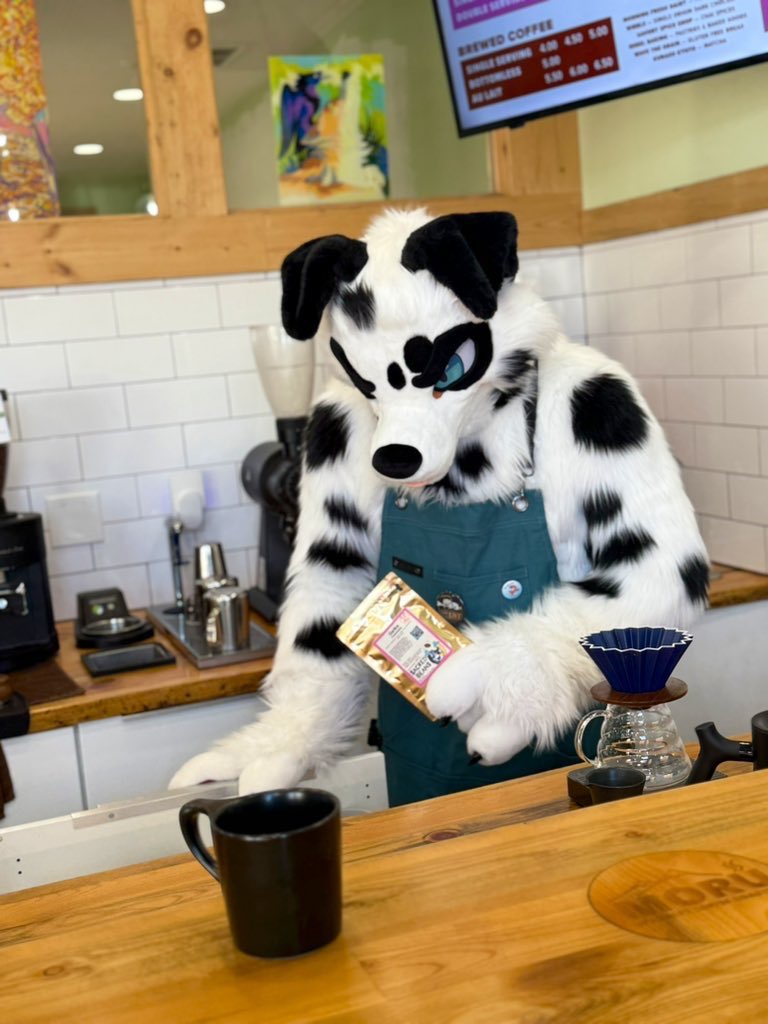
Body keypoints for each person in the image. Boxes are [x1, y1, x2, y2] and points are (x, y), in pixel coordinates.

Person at [170, 208, 709, 806]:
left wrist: (526, 669)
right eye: (377, 385)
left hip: (581, 767)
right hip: (421, 774)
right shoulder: (343, 424)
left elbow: (667, 584)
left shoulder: (582, 399)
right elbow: (330, 584)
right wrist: (298, 727)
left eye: (438, 374)